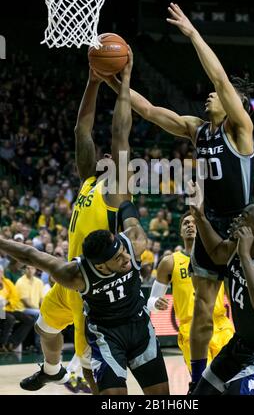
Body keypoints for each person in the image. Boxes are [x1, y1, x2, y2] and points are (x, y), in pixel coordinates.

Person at [103, 2, 254, 389]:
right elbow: (152, 111)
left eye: (218, 95)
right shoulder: (197, 129)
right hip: (208, 225)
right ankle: (197, 380)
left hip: (240, 226)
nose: (209, 95)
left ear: (234, 102)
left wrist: (192, 34)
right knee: (202, 312)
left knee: (245, 314)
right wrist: (112, 80)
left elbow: (220, 78)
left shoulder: (240, 130)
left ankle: (248, 372)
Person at [20, 48, 134, 394]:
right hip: (69, 278)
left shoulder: (116, 189)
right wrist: (92, 81)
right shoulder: (88, 180)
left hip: (91, 288)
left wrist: (125, 82)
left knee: (90, 373)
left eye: (108, 156)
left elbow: (120, 133)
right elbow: (81, 130)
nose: (102, 154)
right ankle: (52, 370)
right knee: (45, 328)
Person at [0, 201, 169, 395]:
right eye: (118, 258)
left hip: (140, 329)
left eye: (123, 251)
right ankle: (52, 369)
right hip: (107, 338)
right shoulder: (76, 275)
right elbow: (30, 255)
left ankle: (52, 370)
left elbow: (127, 209)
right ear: (100, 266)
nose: (127, 259)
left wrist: (121, 202)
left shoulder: (134, 244)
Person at [188, 181, 254, 395]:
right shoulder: (233, 248)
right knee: (201, 394)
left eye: (243, 218)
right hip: (242, 344)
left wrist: (245, 256)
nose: (236, 220)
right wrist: (200, 216)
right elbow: (216, 252)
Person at [147, 211, 233, 373]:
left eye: (194, 223)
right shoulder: (170, 262)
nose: (190, 225)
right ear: (180, 231)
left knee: (231, 381)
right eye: (186, 223)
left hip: (222, 325)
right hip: (191, 328)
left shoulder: (218, 257)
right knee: (204, 383)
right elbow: (151, 302)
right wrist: (157, 303)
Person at [0, 265, 35, 352]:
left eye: (0, 271)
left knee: (29, 320)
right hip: (0, 310)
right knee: (9, 319)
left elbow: (15, 297)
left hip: (9, 308)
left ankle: (12, 343)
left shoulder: (7, 282)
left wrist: (8, 302)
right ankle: (2, 344)